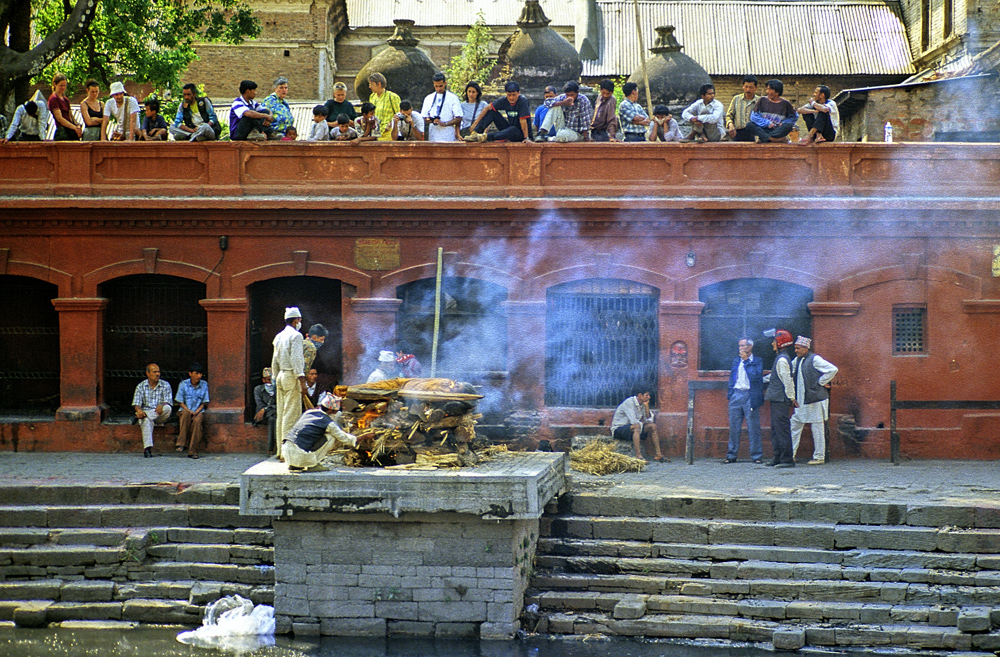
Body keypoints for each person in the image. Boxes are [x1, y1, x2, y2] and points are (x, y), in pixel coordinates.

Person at [790, 336, 838, 464]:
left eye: (798, 348)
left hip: (816, 399)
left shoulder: (815, 359)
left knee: (817, 427)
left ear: (806, 348)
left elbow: (832, 369)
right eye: (795, 348)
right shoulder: (798, 360)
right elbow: (788, 370)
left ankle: (819, 456)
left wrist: (820, 382)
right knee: (795, 423)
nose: (796, 350)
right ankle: (790, 454)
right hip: (803, 400)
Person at [282, 392, 357, 472]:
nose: (336, 413)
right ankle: (313, 464)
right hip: (300, 455)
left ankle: (295, 465)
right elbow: (345, 438)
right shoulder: (328, 423)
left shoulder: (309, 412)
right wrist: (363, 437)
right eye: (335, 411)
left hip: (286, 451)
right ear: (330, 411)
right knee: (331, 436)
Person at [271, 306, 307, 460]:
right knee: (291, 414)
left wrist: (275, 376)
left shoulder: (279, 336)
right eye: (299, 319)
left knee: (281, 413)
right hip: (291, 376)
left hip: (280, 375)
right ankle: (287, 452)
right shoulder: (296, 336)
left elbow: (274, 359)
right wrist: (302, 380)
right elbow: (297, 359)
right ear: (296, 320)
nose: (300, 322)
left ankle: (280, 450)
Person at [724, 337, 764, 464]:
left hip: (750, 395)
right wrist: (731, 394)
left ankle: (757, 455)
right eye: (739, 346)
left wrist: (747, 361)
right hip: (736, 394)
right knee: (734, 427)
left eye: (743, 346)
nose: (741, 348)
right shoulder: (736, 361)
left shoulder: (757, 361)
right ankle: (731, 455)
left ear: (750, 347)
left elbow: (755, 377)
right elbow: (732, 378)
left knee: (753, 427)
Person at [762, 329, 796, 468]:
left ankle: (787, 459)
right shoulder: (781, 358)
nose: (772, 344)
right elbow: (775, 376)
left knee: (781, 429)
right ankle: (778, 457)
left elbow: (787, 380)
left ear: (781, 343)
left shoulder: (782, 359)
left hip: (781, 398)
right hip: (777, 398)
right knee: (776, 429)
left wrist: (791, 397)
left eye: (774, 341)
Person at [464, 81, 532, 144]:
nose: (511, 98)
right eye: (509, 95)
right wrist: (475, 125)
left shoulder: (522, 101)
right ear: (506, 94)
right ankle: (475, 134)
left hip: (521, 134)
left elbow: (523, 121)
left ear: (519, 93)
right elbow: (487, 108)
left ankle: (486, 137)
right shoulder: (504, 100)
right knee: (492, 112)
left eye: (514, 95)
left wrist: (526, 138)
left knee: (513, 129)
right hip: (508, 130)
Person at [610, 388, 665, 462]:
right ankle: (638, 456)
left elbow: (649, 420)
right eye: (647, 395)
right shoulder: (629, 402)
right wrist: (642, 424)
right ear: (640, 395)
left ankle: (658, 455)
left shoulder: (642, 404)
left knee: (652, 426)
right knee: (637, 426)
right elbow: (633, 421)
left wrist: (646, 407)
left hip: (633, 429)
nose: (649, 397)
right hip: (619, 430)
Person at [132, 363, 173, 458]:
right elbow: (137, 404)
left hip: (161, 414)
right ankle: (147, 449)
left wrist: (162, 405)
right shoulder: (141, 386)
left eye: (158, 371)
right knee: (146, 420)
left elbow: (168, 401)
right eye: (154, 372)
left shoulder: (165, 385)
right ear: (148, 373)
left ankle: (141, 416)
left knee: (167, 408)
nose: (157, 374)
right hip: (148, 414)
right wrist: (139, 411)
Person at [174, 362, 209, 458]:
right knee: (185, 414)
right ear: (190, 374)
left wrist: (196, 412)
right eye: (196, 373)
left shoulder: (204, 384)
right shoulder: (183, 384)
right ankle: (182, 442)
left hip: (198, 411)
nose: (199, 376)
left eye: (200, 374)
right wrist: (189, 412)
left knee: (197, 422)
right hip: (185, 410)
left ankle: (193, 451)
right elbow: (180, 401)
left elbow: (204, 402)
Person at [747, 79, 797, 144]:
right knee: (749, 125)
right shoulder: (762, 100)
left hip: (777, 130)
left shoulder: (786, 104)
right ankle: (773, 139)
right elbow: (754, 116)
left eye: (770, 89)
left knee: (789, 126)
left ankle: (766, 138)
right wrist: (767, 123)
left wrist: (783, 123)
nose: (767, 91)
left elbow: (793, 117)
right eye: (767, 89)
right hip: (764, 128)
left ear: (777, 92)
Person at [421, 72, 462, 142]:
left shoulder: (453, 98)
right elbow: (423, 117)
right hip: (433, 135)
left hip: (448, 136)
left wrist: (445, 123)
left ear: (445, 83)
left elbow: (459, 117)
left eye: (440, 86)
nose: (438, 88)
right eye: (436, 86)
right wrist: (432, 120)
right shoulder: (428, 98)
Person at [367, 72, 401, 141]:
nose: (370, 87)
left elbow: (399, 114)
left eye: (372, 84)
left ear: (379, 84)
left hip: (389, 134)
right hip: (375, 133)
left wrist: (390, 124)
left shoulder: (392, 97)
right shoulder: (372, 97)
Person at [726, 76, 760, 142]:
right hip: (738, 133)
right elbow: (729, 116)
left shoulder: (759, 101)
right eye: (746, 87)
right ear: (743, 87)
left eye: (751, 87)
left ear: (756, 88)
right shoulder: (736, 99)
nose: (748, 90)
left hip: (754, 134)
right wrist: (730, 124)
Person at [49, 73, 83, 141]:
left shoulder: (65, 99)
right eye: (61, 85)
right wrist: (74, 128)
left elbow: (71, 116)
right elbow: (59, 119)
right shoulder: (54, 99)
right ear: (55, 84)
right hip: (62, 131)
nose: (63, 88)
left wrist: (77, 125)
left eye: (64, 86)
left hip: (71, 130)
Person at [253, 368, 277, 453]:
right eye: (269, 380)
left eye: (272, 380)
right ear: (263, 380)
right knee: (272, 417)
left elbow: (279, 405)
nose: (271, 382)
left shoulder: (277, 389)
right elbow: (259, 405)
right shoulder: (258, 389)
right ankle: (272, 447)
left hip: (273, 414)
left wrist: (265, 408)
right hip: (262, 416)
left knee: (272, 418)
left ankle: (270, 448)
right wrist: (264, 409)